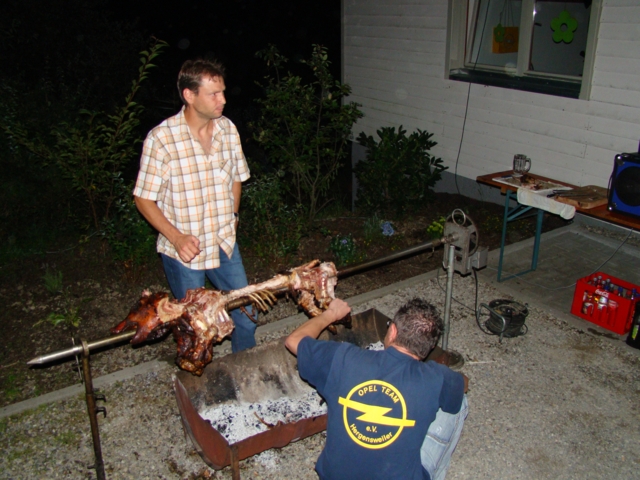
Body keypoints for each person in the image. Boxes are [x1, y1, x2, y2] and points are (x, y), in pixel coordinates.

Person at [133, 58, 256, 352]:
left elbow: (236, 178)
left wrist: (233, 216)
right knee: (198, 329)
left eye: (222, 91)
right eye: (213, 94)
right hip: (185, 252)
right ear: (189, 95)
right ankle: (200, 376)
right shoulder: (162, 139)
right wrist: (176, 237)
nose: (222, 100)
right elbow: (143, 198)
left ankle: (243, 373)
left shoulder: (228, 130)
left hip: (223, 242)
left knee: (247, 317)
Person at [285, 298, 469, 480]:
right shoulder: (436, 377)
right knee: (460, 402)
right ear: (429, 347)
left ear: (393, 331)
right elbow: (460, 387)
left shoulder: (344, 358)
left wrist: (331, 313)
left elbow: (293, 341)